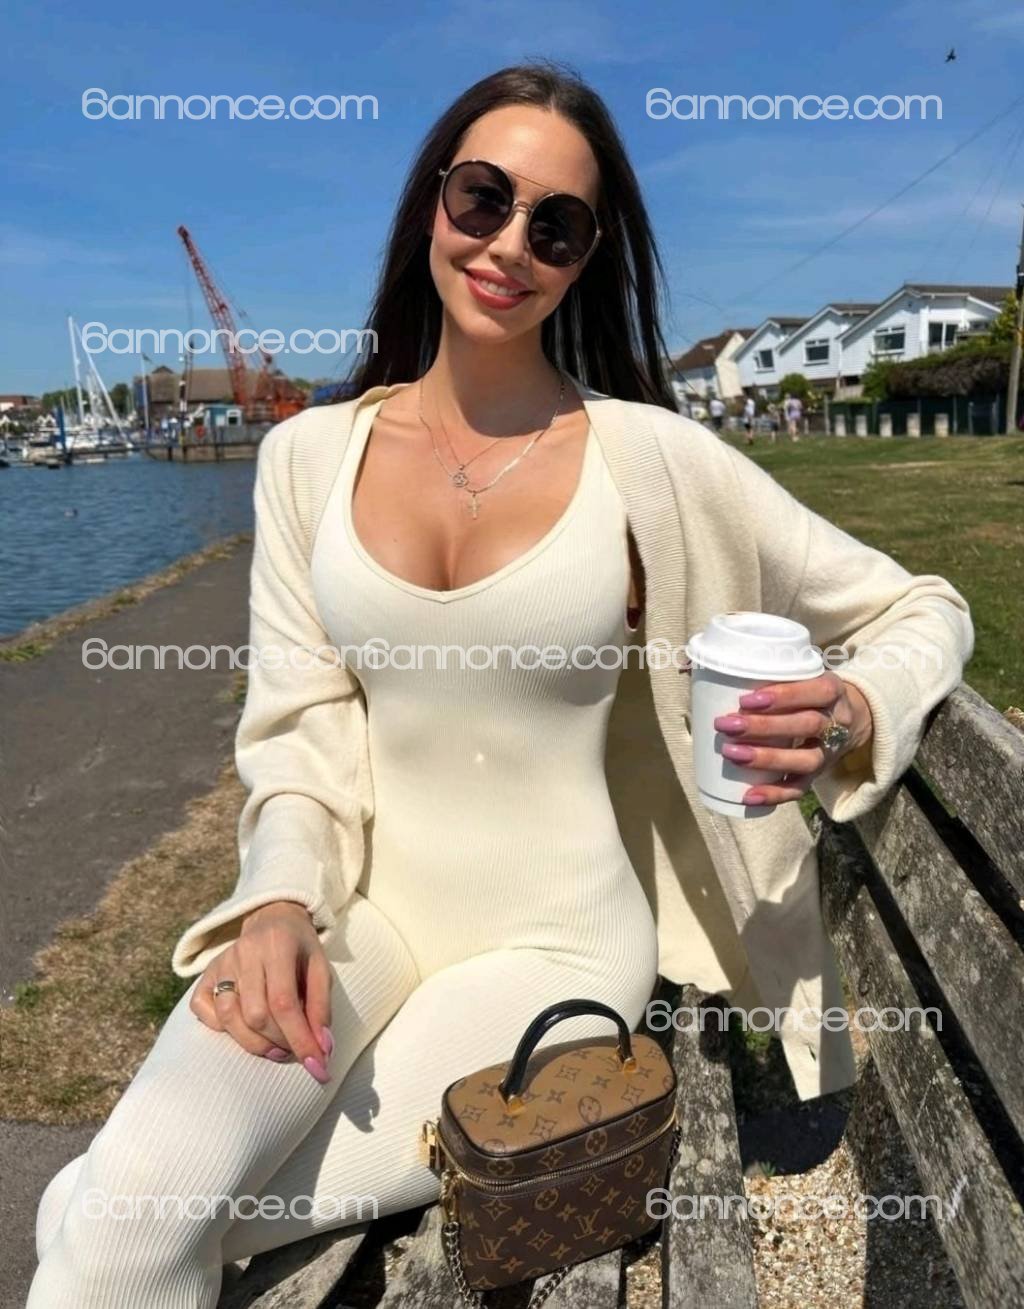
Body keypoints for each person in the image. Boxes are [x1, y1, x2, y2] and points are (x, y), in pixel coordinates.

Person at [29, 61, 974, 1308]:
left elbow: (923, 606)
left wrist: (855, 707)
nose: (509, 244)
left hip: (557, 960)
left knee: (117, 1222)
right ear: (432, 201)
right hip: (351, 918)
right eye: (483, 196)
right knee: (114, 1223)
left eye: (556, 225)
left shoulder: (654, 461)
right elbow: (298, 729)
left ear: (586, 260)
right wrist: (277, 901)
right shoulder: (306, 456)